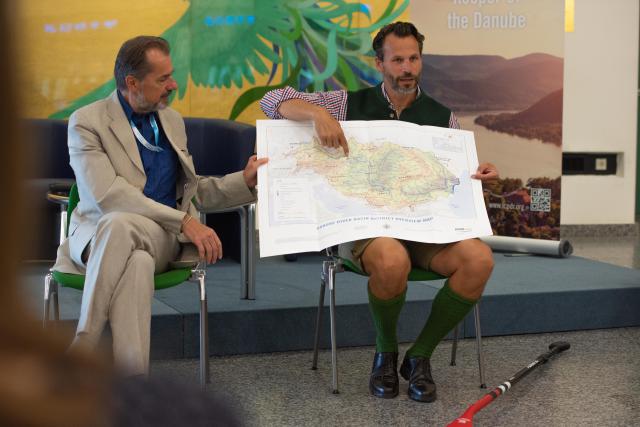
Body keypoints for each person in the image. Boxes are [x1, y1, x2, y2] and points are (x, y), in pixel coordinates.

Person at [260, 22, 498, 403]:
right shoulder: (344, 103)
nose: (407, 68)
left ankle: (419, 357)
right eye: (398, 59)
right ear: (379, 63)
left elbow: (451, 181)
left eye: (414, 59)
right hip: (366, 229)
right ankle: (385, 355)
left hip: (424, 230)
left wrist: (476, 175)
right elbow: (272, 100)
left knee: (479, 259)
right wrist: (317, 115)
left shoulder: (443, 117)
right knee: (390, 259)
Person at [52, 35, 267, 376]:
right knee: (131, 251)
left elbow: (192, 192)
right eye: (163, 79)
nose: (173, 85)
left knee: (124, 229)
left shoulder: (171, 121)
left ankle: (84, 343)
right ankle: (134, 385)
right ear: (132, 83)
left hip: (162, 240)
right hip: (99, 237)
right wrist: (185, 222)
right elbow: (108, 197)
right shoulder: (87, 122)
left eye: (172, 75)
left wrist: (245, 180)